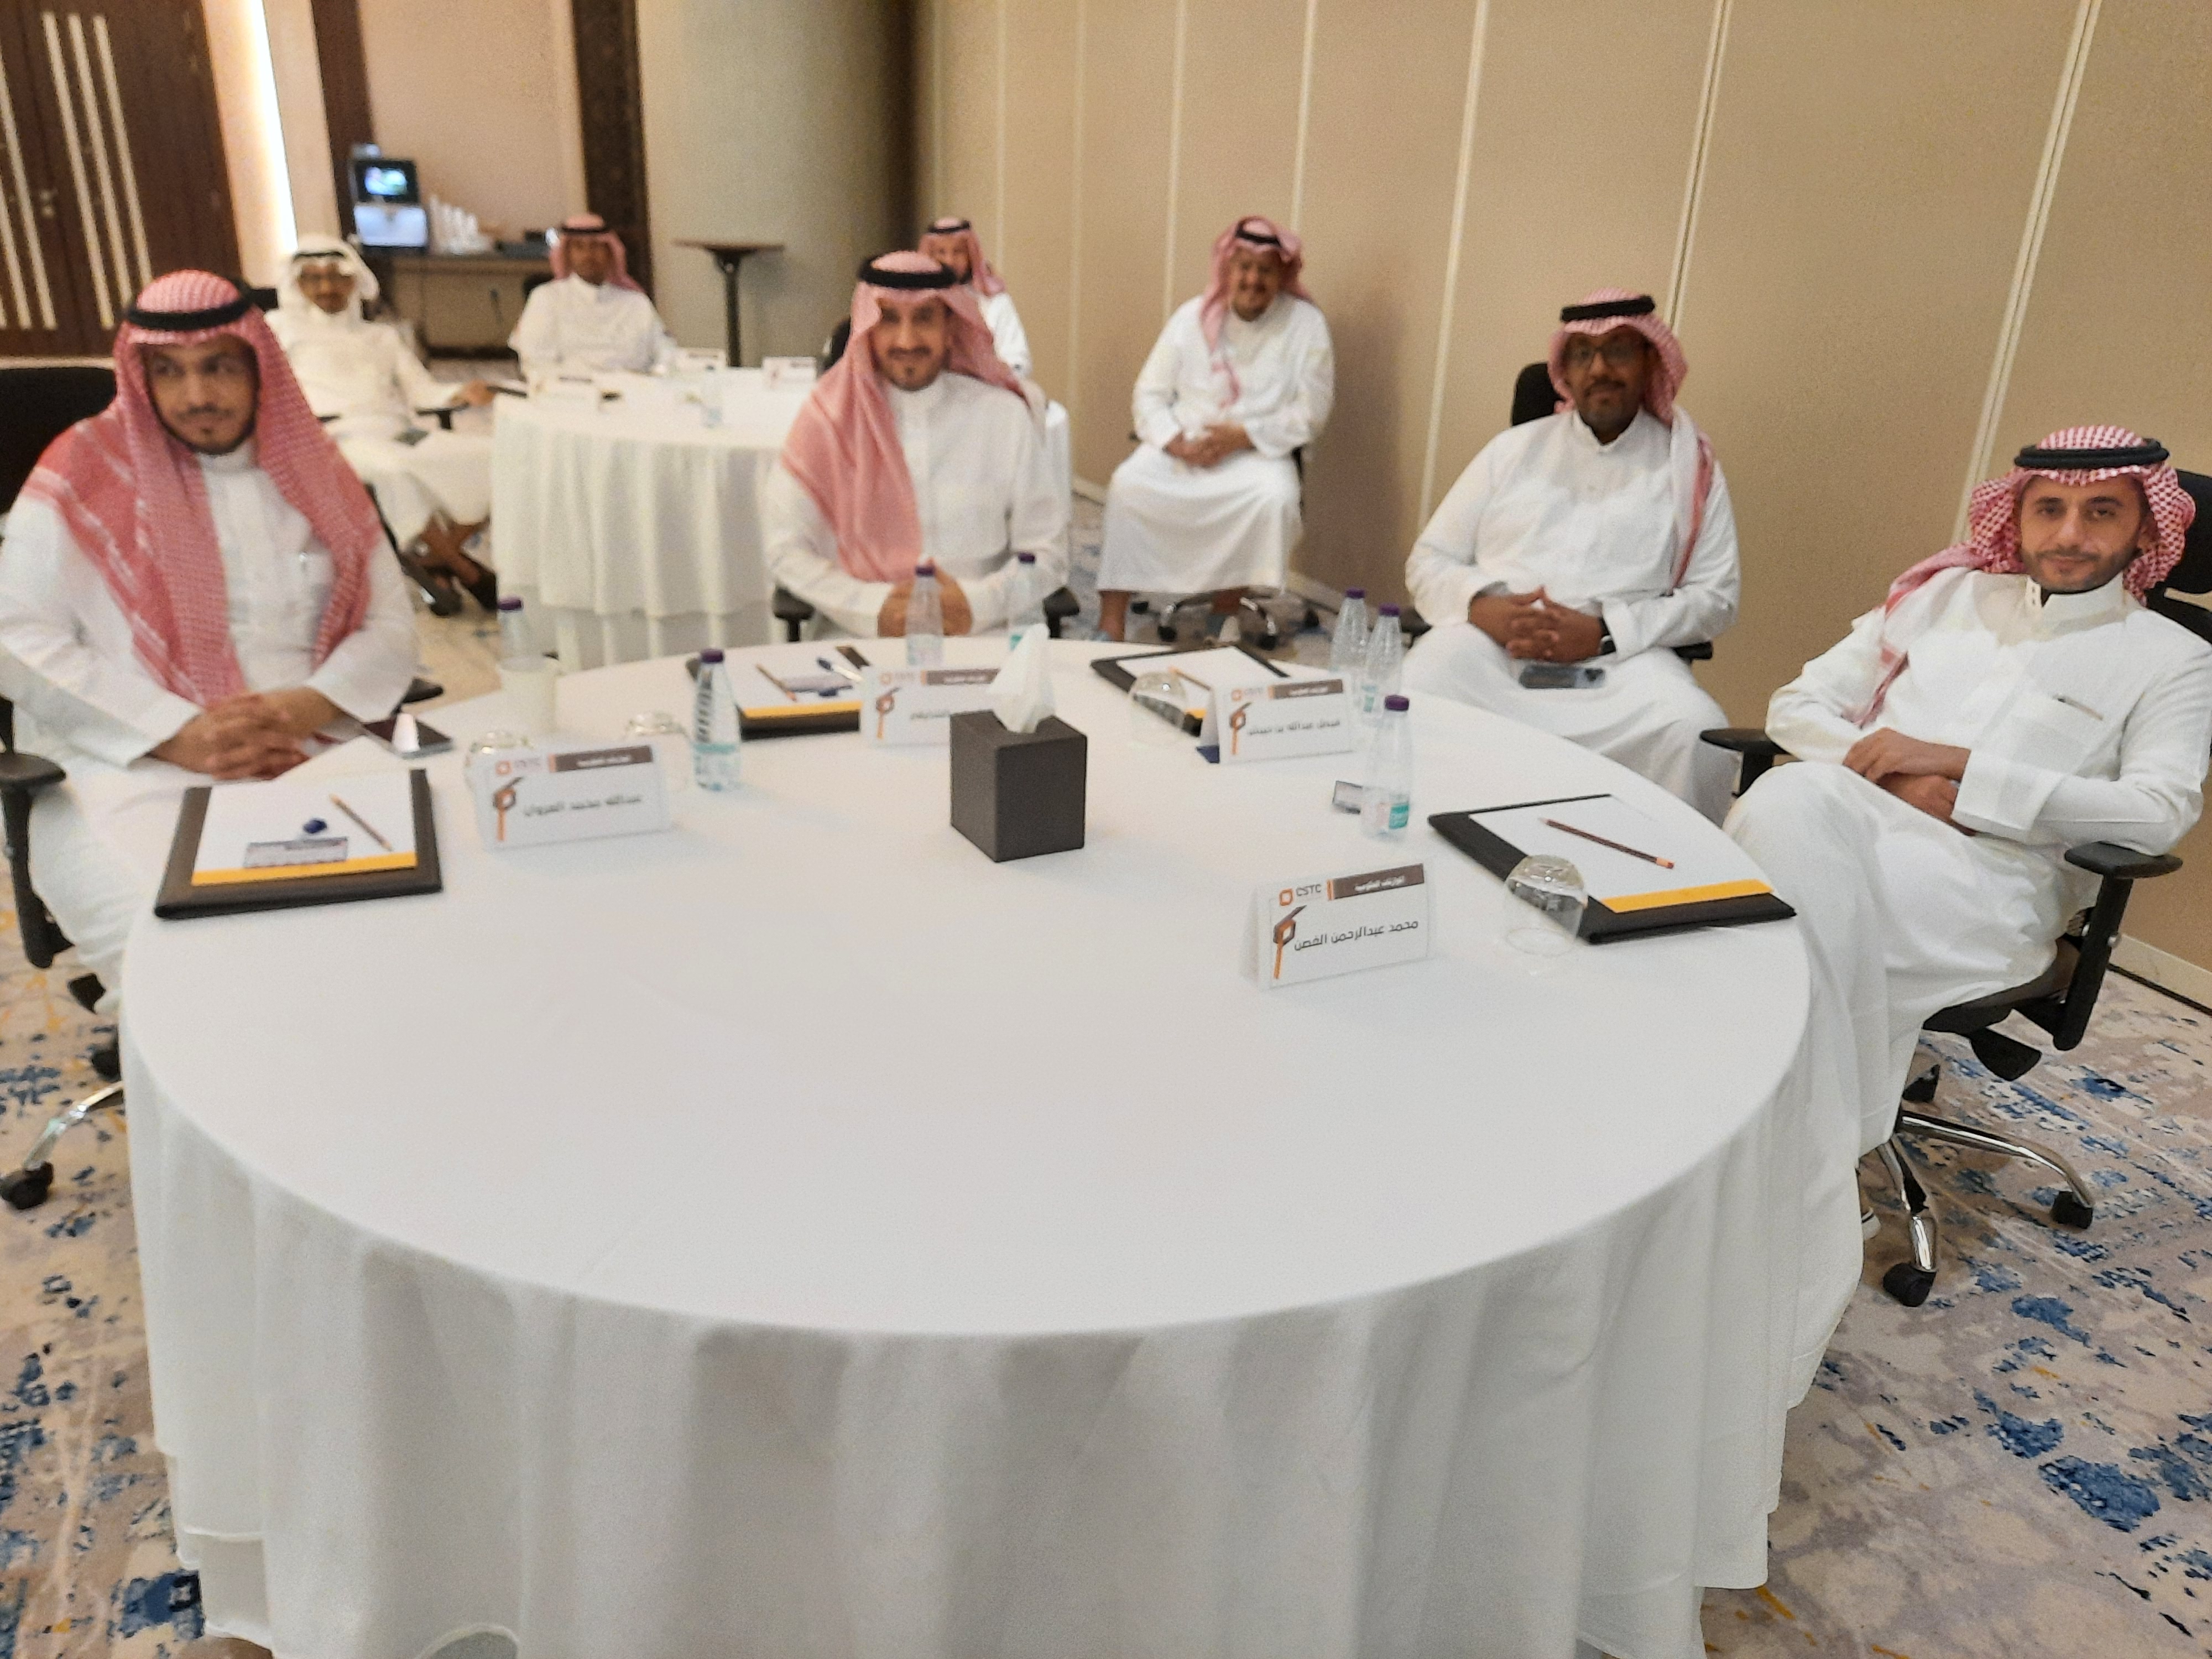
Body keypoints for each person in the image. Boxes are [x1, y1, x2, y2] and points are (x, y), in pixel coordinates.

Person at [1730, 428, 2211, 1314]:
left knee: (1769, 893)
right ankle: (1814, 1170)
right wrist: (1900, 778)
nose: (2070, 534)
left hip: (1995, 887)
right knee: (1795, 809)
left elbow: (2157, 811)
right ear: (2015, 517)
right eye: (2049, 509)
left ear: (2147, 529)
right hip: (1852, 828)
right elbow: (1797, 706)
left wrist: (1966, 774)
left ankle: (1776, 1169)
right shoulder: (1946, 594)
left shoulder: (2173, 658)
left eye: (2101, 513)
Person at [0, 271, 417, 1003]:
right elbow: (15, 636)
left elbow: (390, 626)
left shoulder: (316, 469)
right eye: (169, 372)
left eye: (219, 367)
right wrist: (175, 731)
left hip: (313, 746)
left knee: (417, 927)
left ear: (260, 367)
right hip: (128, 769)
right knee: (192, 967)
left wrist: (308, 705)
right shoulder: (82, 469)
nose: (196, 395)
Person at [1402, 289, 1740, 820]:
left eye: (1618, 351)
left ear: (1651, 360)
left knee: (1693, 730)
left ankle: (1666, 871)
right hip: (1494, 654)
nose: (1599, 369)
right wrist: (1483, 609)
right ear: (1566, 370)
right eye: (1583, 354)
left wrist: (1605, 631)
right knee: (1419, 683)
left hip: (1620, 667)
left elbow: (1716, 597)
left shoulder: (1689, 467)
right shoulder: (1513, 450)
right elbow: (1429, 561)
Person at [760, 252, 1067, 638]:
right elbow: (785, 549)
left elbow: (1048, 553)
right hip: (859, 638)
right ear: (868, 327)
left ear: (951, 326)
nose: (907, 340)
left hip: (980, 636)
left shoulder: (1003, 418)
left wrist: (978, 604)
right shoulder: (828, 421)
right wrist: (869, 607)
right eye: (889, 319)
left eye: (924, 318)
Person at [1094, 216, 1333, 641]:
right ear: (1227, 268)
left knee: (1273, 497)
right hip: (1185, 446)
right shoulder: (1192, 318)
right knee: (1128, 486)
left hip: (1257, 452)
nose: (1253, 280)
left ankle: (1225, 611)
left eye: (1265, 270)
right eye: (1245, 267)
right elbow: (1149, 394)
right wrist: (1176, 443)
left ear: (1282, 275)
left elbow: (1312, 412)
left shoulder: (1306, 325)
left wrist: (1243, 436)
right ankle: (1110, 620)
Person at [269, 234, 498, 611]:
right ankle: (464, 568)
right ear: (298, 284)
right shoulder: (278, 330)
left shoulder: (382, 335)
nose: (326, 288)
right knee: (394, 470)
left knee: (499, 456)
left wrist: (460, 391)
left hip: (399, 431)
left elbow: (421, 389)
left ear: (354, 281)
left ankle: (435, 559)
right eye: (314, 279)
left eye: (337, 277)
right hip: (334, 436)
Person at [509, 212, 678, 379]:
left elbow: (667, 352)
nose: (588, 255)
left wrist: (656, 379)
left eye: (596, 246)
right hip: (570, 391)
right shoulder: (546, 299)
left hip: (638, 390)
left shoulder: (637, 303)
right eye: (579, 247)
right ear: (568, 254)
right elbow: (536, 363)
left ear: (610, 252)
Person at [918, 216, 1032, 379]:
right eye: (941, 252)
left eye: (958, 252)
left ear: (970, 255)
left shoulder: (994, 301)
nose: (949, 261)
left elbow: (1018, 361)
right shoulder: (918, 302)